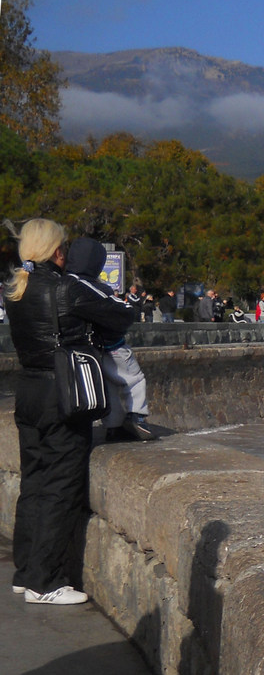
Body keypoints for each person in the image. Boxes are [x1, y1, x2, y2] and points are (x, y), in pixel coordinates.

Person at [6, 219, 139, 605]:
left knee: (33, 482)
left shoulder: (16, 289)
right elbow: (122, 313)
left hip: (28, 390)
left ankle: (25, 571)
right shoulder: (68, 287)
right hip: (62, 394)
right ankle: (45, 583)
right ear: (56, 251)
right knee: (62, 486)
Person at [65, 237, 156, 442]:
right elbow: (122, 311)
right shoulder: (88, 286)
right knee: (134, 380)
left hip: (88, 351)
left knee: (109, 387)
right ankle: (137, 417)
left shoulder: (63, 283)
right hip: (112, 347)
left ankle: (113, 427)